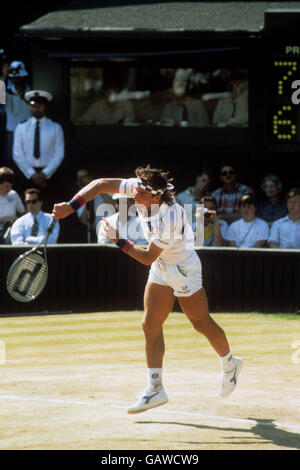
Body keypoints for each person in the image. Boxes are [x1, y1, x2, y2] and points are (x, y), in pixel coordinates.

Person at [51, 164, 242, 414]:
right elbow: (99, 185)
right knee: (150, 324)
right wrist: (71, 205)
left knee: (200, 323)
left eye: (141, 193)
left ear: (156, 195)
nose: (134, 195)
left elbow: (148, 257)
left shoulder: (169, 216)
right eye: (137, 190)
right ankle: (155, 389)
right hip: (162, 266)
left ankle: (230, 364)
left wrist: (118, 239)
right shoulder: (140, 188)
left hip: (183, 267)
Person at [12, 89, 65, 209]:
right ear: (29, 107)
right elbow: (17, 154)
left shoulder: (55, 127)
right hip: (27, 175)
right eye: (33, 105)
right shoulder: (21, 127)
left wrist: (44, 174)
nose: (36, 108)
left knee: (50, 208)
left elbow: (59, 154)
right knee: (28, 209)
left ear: (45, 106)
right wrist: (32, 174)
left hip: (49, 176)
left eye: (39, 105)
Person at [76, 168, 113, 243]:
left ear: (91, 177)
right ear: (79, 183)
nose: (85, 180)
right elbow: (84, 221)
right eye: (81, 179)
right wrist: (86, 196)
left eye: (86, 177)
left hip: (111, 228)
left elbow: (115, 205)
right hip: (95, 232)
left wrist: (98, 189)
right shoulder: (79, 198)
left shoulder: (105, 188)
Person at [5, 61, 31, 161]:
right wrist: (4, 76)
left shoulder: (30, 91)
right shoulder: (7, 91)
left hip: (27, 131)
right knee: (11, 158)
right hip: (12, 131)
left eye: (19, 78)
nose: (16, 80)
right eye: (13, 78)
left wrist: (24, 97)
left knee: (27, 157)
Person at [0, 167, 24, 244]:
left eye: (11, 186)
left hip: (12, 230)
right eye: (7, 186)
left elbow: (22, 212)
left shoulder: (13, 194)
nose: (9, 189)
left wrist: (15, 219)